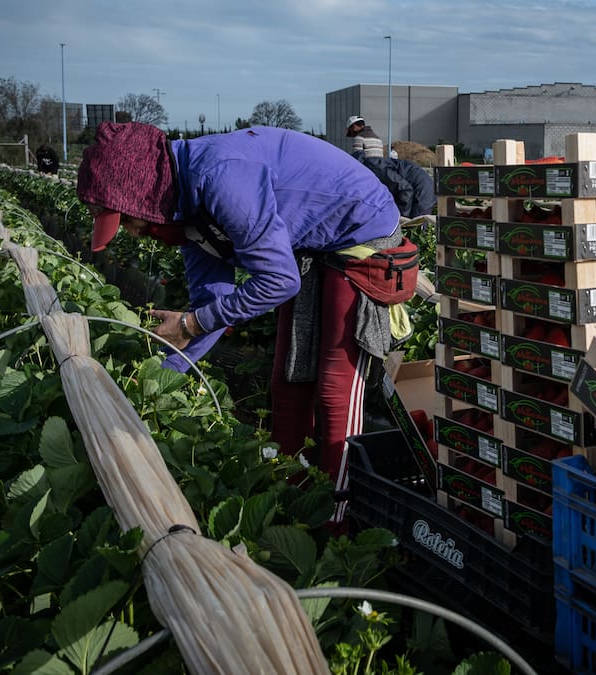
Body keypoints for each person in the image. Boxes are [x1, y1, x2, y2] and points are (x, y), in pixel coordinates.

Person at [76, 121, 406, 523]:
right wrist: (160, 377)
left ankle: (339, 521)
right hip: (309, 244)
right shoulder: (187, 212)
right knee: (287, 381)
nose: (132, 233)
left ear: (144, 196)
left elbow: (278, 281)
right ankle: (288, 503)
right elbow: (208, 306)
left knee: (335, 388)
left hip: (360, 228)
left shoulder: (220, 179)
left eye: (126, 221)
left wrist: (192, 324)